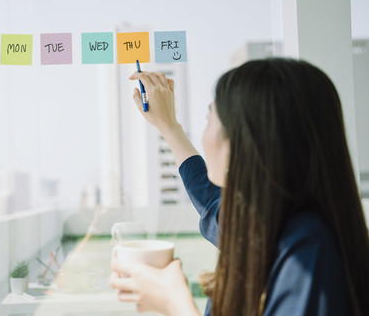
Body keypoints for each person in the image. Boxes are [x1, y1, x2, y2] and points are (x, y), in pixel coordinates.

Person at [110, 58, 369, 316]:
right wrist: (169, 127)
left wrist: (176, 304)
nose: (205, 133)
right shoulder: (263, 222)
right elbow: (211, 199)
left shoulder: (309, 253)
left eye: (209, 117)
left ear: (245, 140)